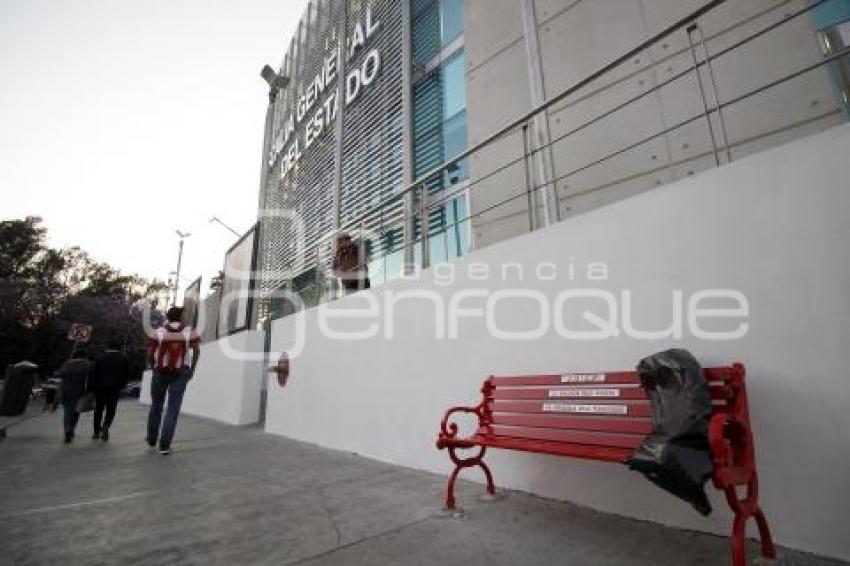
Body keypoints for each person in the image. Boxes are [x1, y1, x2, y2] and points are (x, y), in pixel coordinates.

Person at [146, 306, 200, 455]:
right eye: (184, 314)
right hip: (181, 371)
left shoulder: (158, 332)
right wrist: (192, 368)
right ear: (180, 317)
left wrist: (154, 367)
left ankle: (152, 438)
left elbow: (150, 353)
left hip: (160, 371)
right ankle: (164, 445)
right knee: (173, 408)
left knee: (156, 405)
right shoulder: (190, 331)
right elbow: (197, 350)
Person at [90, 340, 130, 441]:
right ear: (119, 348)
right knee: (111, 409)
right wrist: (123, 385)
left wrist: (92, 387)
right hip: (115, 387)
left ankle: (96, 432)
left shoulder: (99, 358)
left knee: (98, 409)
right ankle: (106, 426)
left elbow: (94, 373)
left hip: (100, 388)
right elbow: (126, 373)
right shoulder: (124, 358)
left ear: (108, 347)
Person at [57, 348, 91, 443]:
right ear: (84, 356)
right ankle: (71, 429)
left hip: (67, 391)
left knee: (68, 412)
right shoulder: (87, 365)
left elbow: (60, 373)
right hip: (81, 392)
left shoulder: (67, 364)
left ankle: (68, 430)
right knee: (76, 412)